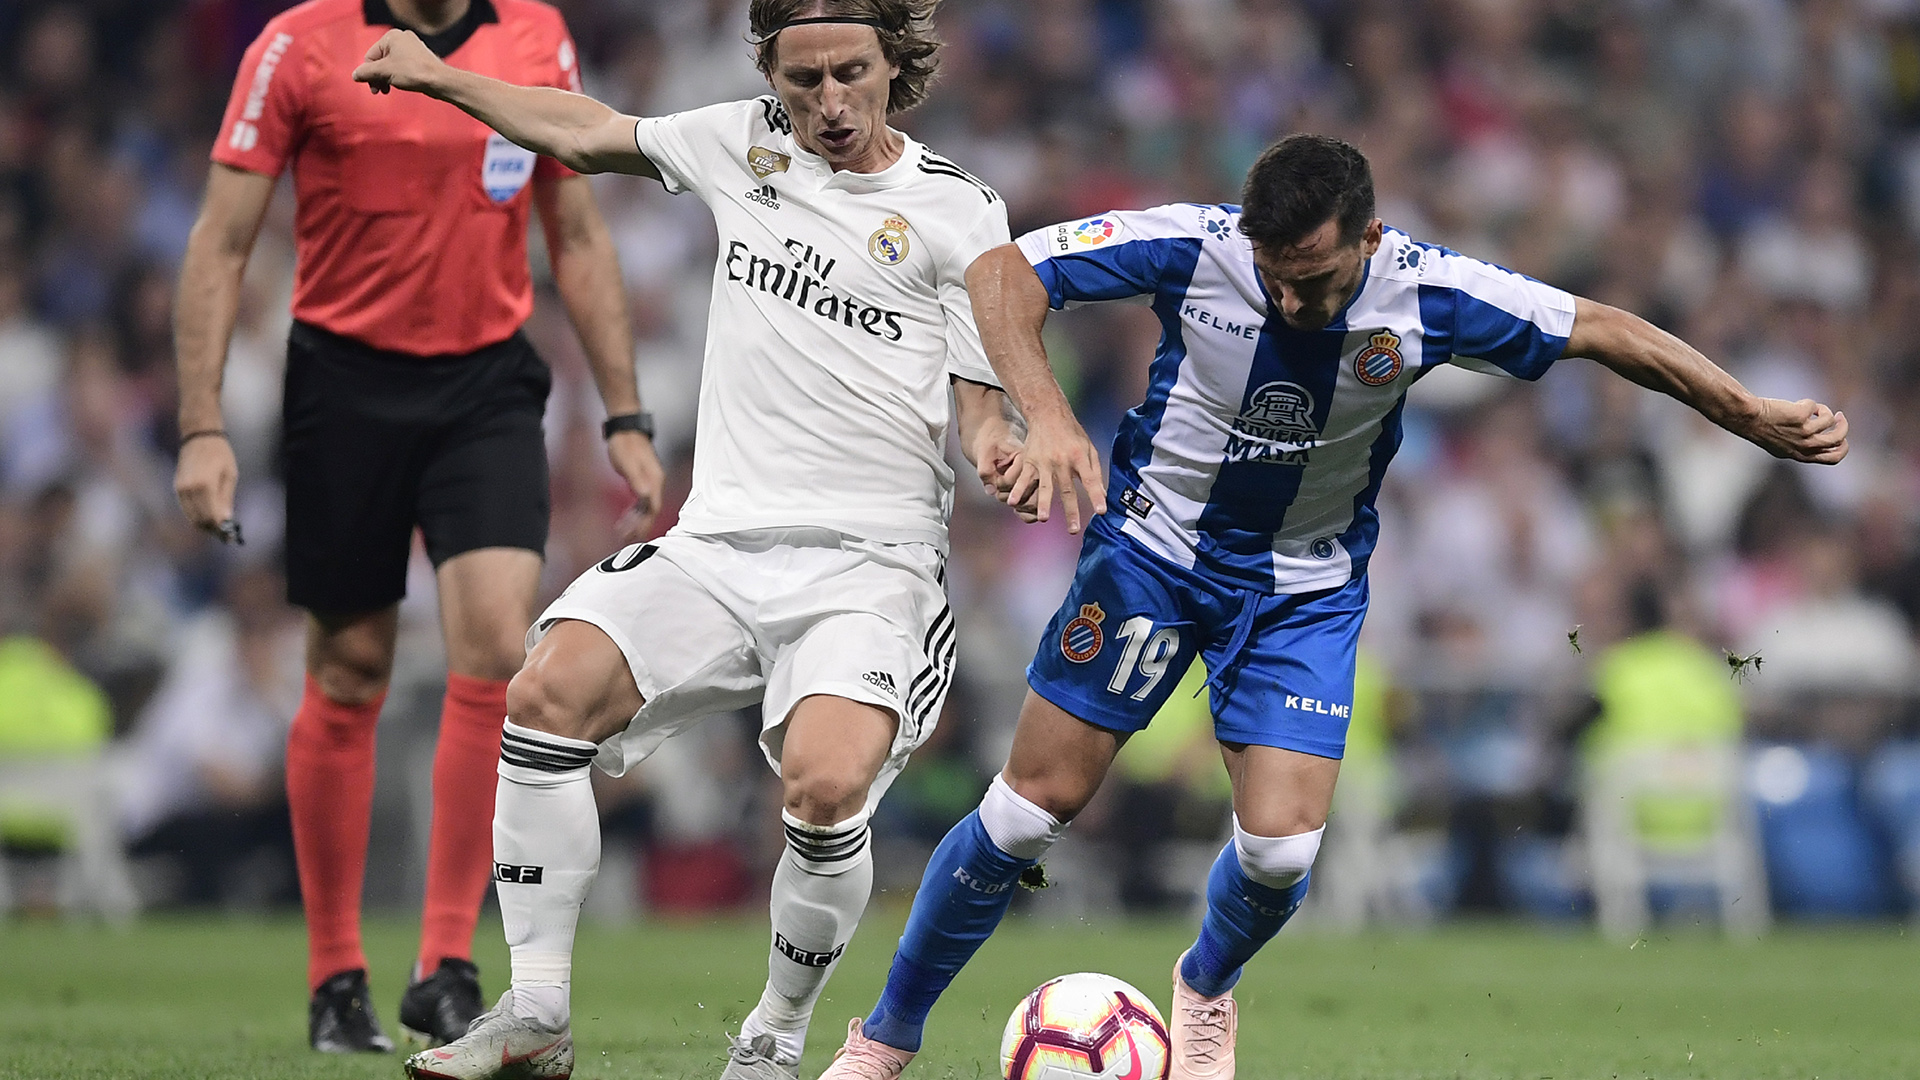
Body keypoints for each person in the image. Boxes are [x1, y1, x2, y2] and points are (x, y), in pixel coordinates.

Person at [817, 133, 1850, 1080]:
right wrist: (1032, 413)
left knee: (1281, 851)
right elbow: (1003, 271)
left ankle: (1206, 987)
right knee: (1028, 813)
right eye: (1274, 278)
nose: (1292, 302)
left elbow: (1601, 328)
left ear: (1369, 237)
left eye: (1313, 280)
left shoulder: (1430, 293)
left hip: (1305, 588)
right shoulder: (1197, 245)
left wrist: (1749, 414)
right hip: (1153, 556)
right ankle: (885, 1040)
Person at [349, 2, 1030, 1077]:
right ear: (772, 72)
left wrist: (1000, 450)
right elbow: (580, 129)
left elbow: (982, 399)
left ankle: (773, 1037)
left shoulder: (958, 210)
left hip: (872, 568)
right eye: (801, 80)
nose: (827, 104)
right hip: (717, 544)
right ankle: (535, 1014)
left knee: (820, 784)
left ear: (897, 63)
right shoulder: (742, 141)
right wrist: (442, 78)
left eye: (850, 73)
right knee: (545, 693)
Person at [172, 0, 665, 1054]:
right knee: (350, 667)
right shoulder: (297, 44)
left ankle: (446, 963)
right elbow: (220, 240)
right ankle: (333, 977)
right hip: (342, 385)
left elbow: (575, 232)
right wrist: (201, 425)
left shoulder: (537, 34)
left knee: (496, 642)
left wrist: (625, 413)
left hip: (485, 383)